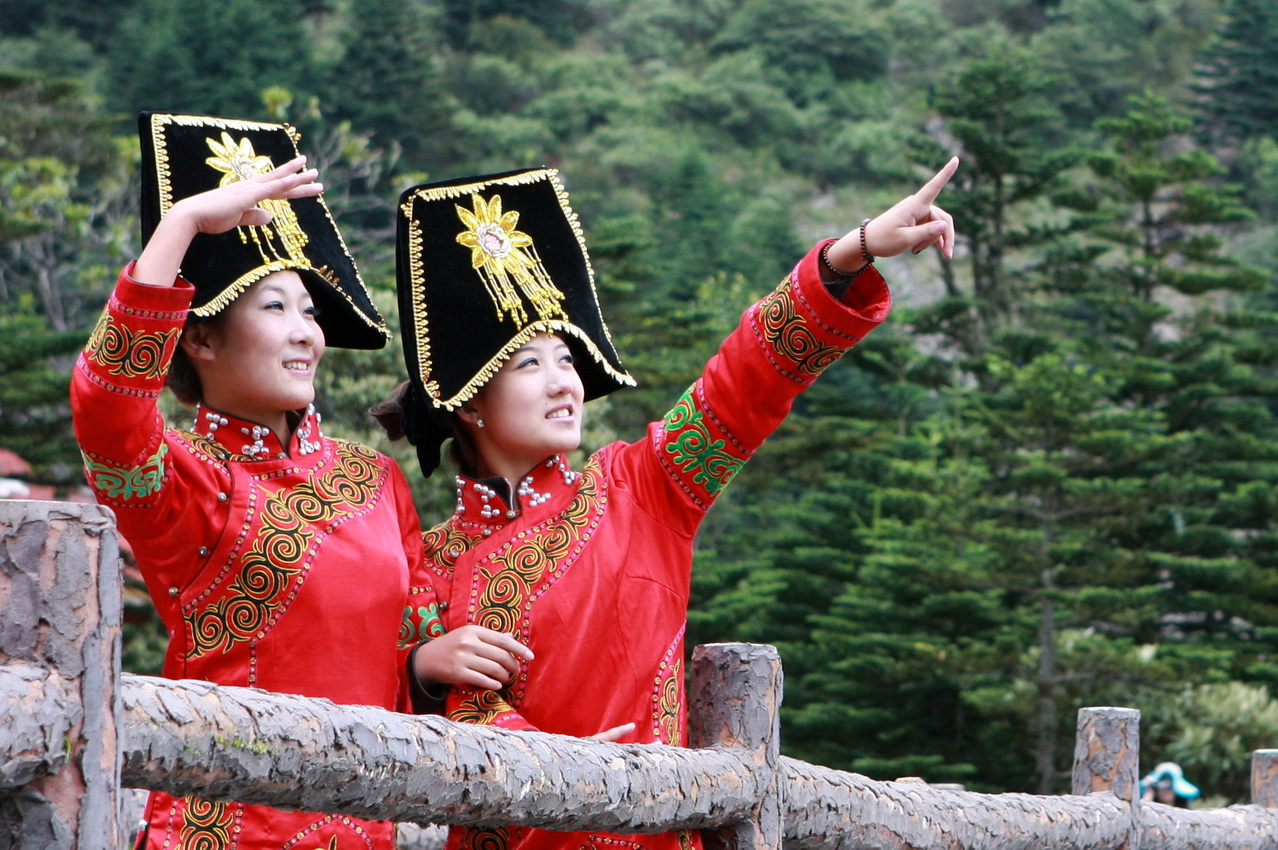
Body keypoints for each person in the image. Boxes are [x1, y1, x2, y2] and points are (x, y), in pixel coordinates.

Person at [375, 161, 958, 850]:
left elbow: (746, 382)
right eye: (531, 364)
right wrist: (422, 669)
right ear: (470, 402)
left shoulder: (644, 487)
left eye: (566, 359)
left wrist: (849, 255)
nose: (564, 382)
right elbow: (415, 717)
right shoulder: (429, 564)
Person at [72, 113, 529, 850]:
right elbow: (105, 410)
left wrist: (428, 667)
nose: (304, 332)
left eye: (310, 312)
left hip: (363, 833)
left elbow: (409, 643)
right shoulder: (186, 480)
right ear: (201, 338)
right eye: (275, 308)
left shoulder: (375, 479)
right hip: (223, 833)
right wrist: (183, 225)